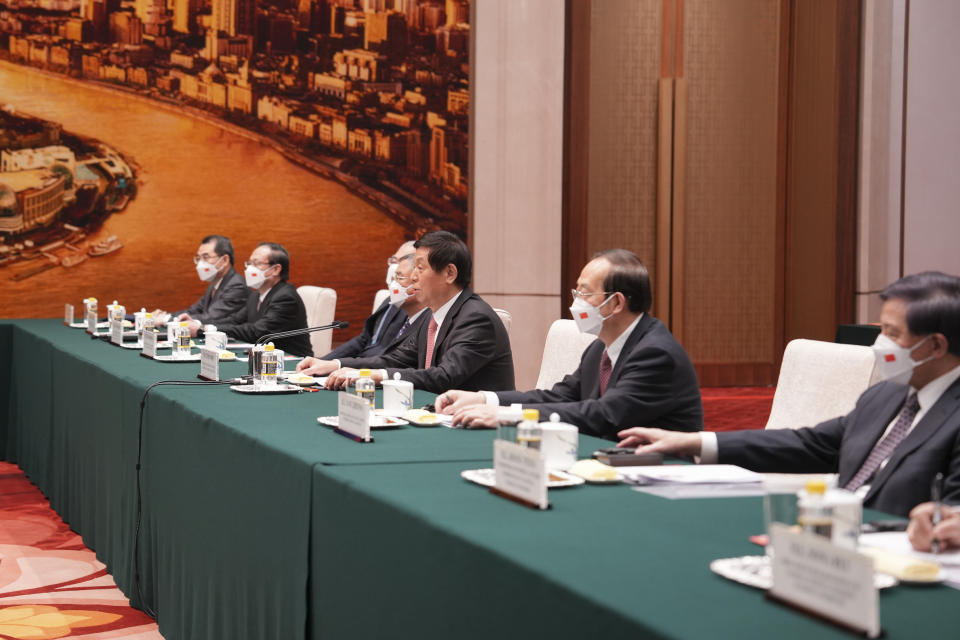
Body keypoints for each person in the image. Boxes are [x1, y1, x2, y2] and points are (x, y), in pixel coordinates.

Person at [617, 271, 960, 518]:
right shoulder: (886, 395)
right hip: (828, 541)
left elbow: (950, 518)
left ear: (935, 345)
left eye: (891, 333)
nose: (878, 343)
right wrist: (691, 442)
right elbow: (810, 444)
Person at [436, 249, 703, 439]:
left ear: (617, 303)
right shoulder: (600, 348)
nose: (576, 302)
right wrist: (485, 398)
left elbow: (604, 414)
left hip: (662, 472)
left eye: (586, 293)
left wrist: (510, 417)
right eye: (577, 292)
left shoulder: (655, 353)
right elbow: (557, 396)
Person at [323, 230, 514, 393]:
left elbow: (444, 376)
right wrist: (339, 366)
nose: (413, 277)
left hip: (478, 426)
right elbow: (395, 361)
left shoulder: (476, 318)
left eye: (420, 268)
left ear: (450, 273)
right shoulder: (432, 316)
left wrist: (379, 376)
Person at [296, 251, 431, 375]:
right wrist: (327, 362)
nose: (393, 285)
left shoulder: (427, 321)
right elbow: (365, 338)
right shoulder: (392, 301)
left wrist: (342, 367)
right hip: (365, 369)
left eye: (400, 278)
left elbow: (392, 360)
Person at [194, 242, 313, 357]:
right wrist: (200, 325)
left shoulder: (286, 298)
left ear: (276, 269)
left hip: (293, 364)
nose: (250, 269)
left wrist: (205, 329)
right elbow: (235, 320)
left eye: (256, 264)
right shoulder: (256, 295)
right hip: (262, 361)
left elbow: (257, 332)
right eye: (249, 263)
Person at [322, 241, 416, 360]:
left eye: (402, 261)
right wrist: (324, 361)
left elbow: (392, 357)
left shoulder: (414, 308)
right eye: (394, 260)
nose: (394, 266)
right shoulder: (390, 300)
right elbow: (365, 339)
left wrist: (346, 366)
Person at [155, 235, 247, 327]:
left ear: (225, 260)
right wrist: (166, 315)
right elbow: (193, 310)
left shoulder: (237, 285)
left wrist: (166, 320)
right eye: (199, 258)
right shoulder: (214, 285)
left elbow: (211, 317)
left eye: (206, 257)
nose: (200, 263)